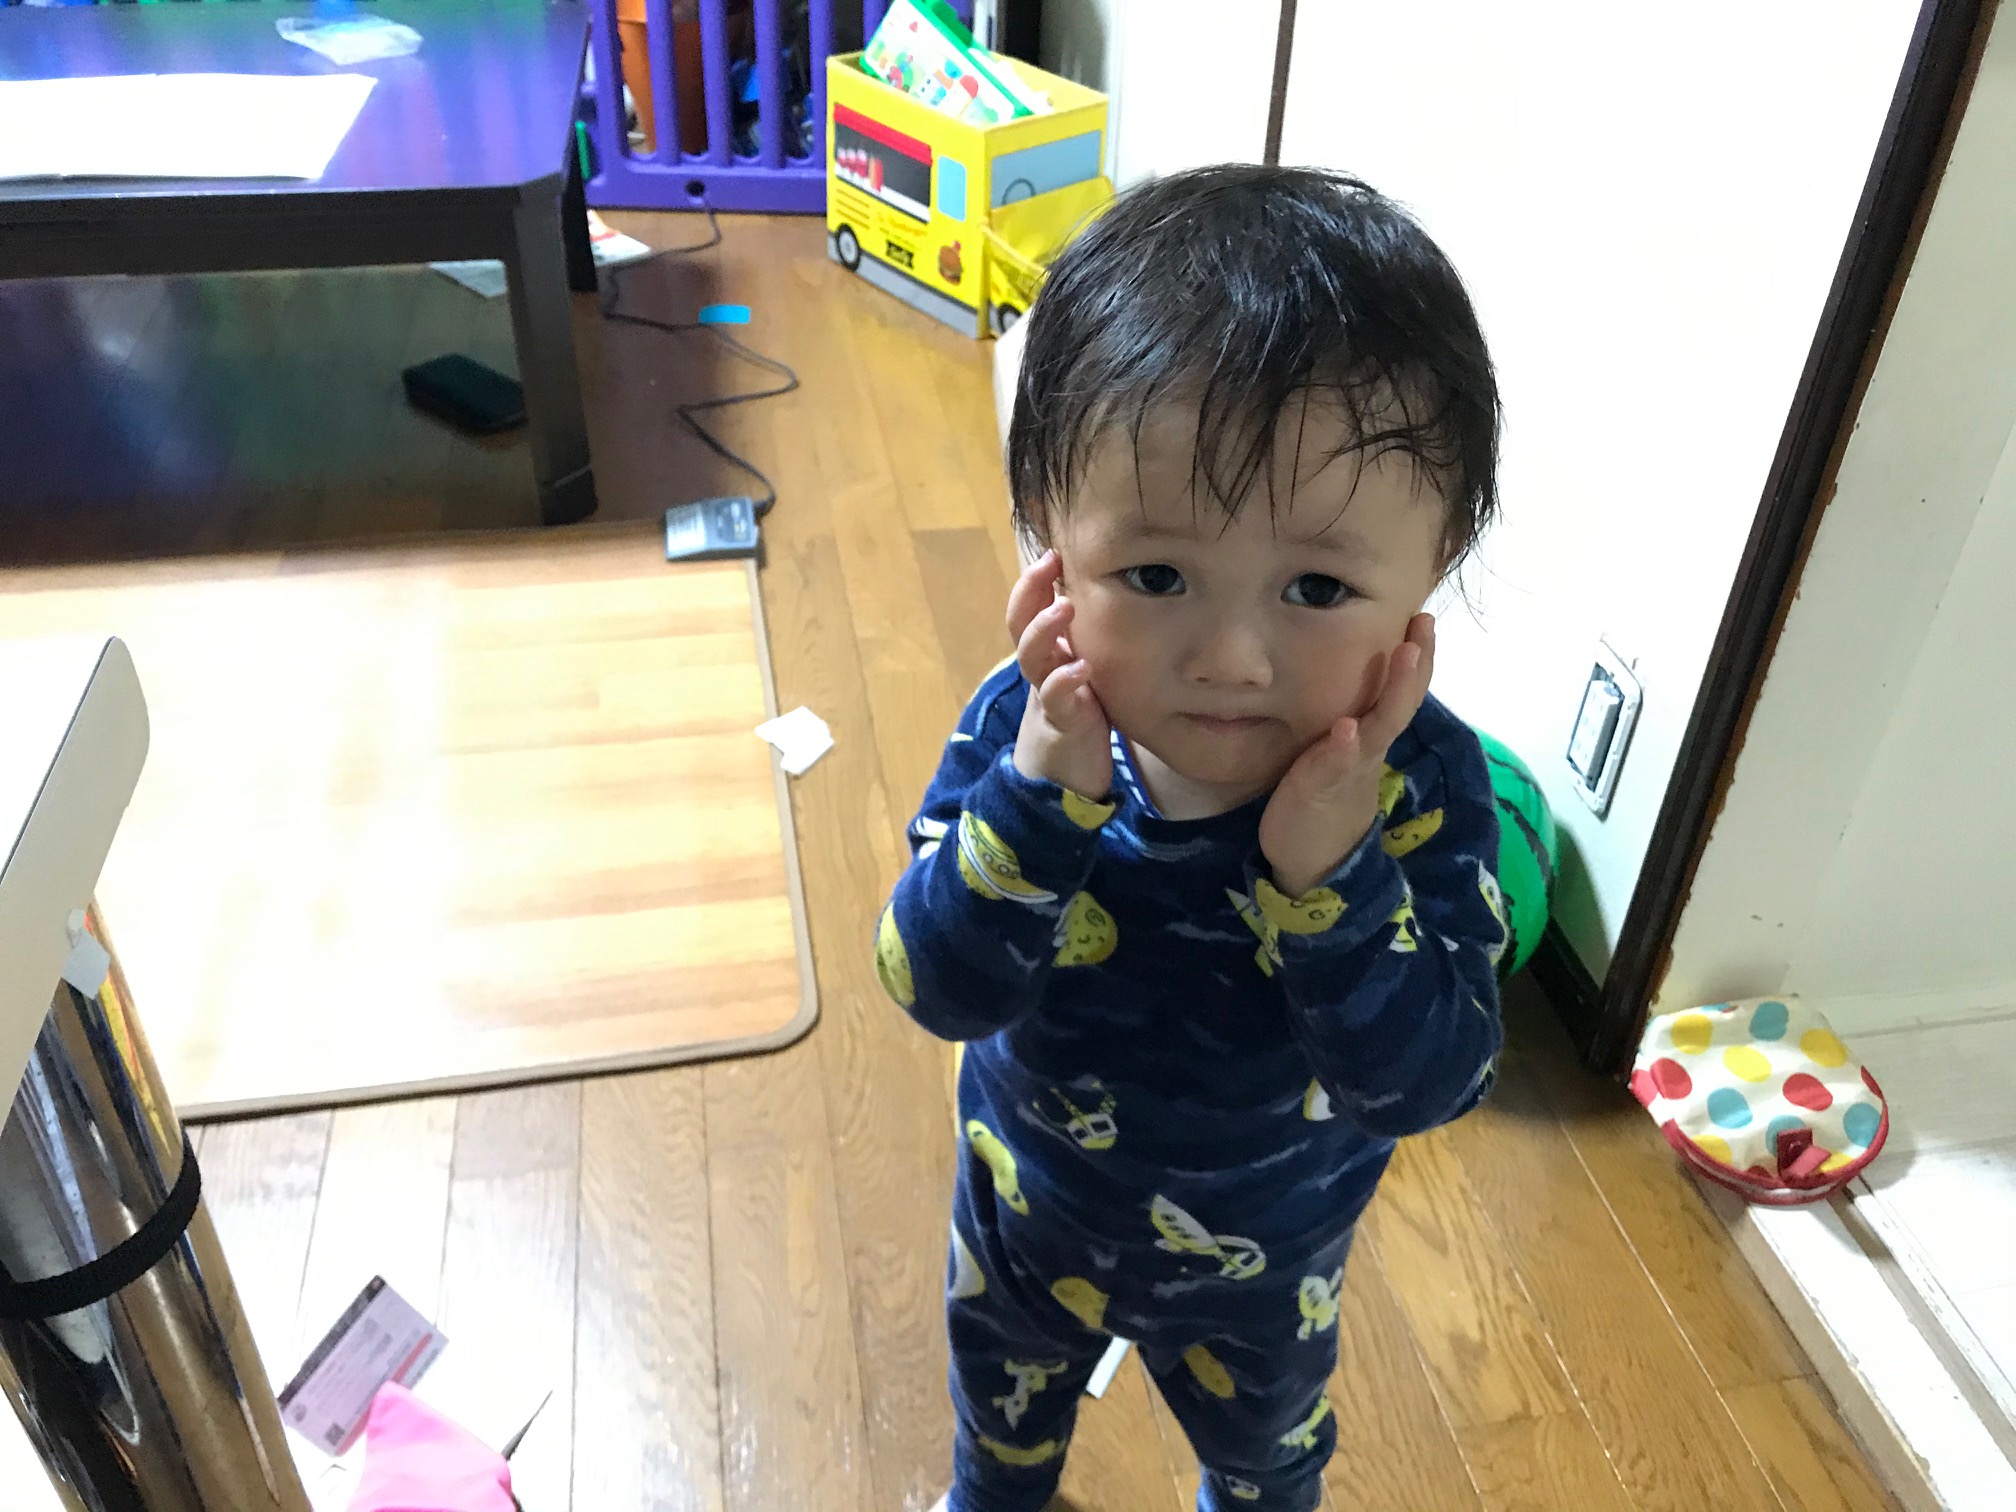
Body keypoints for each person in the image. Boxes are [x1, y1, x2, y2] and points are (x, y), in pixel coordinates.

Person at [874, 164, 1508, 1512]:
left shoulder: (1418, 788)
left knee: (1267, 1467)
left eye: (1318, 587)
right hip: (1025, 1214)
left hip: (1266, 1273)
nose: (1231, 657)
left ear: (1434, 567)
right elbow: (933, 985)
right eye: (1155, 575)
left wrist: (1333, 873)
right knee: (999, 1432)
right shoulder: (1028, 724)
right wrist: (1038, 798)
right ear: (1048, 540)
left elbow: (1435, 1082)